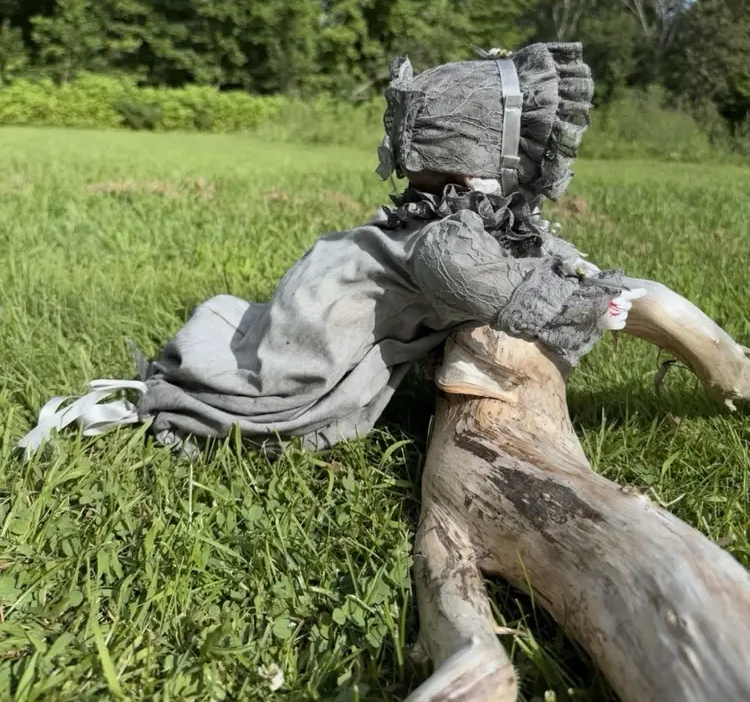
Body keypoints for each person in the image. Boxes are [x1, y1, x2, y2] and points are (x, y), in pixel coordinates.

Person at [18, 43, 644, 459]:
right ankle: (174, 399)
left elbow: (515, 249)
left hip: (309, 298)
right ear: (484, 157)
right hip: (303, 351)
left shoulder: (439, 222)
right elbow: (500, 289)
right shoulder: (448, 244)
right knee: (269, 388)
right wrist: (597, 303)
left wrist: (566, 264)